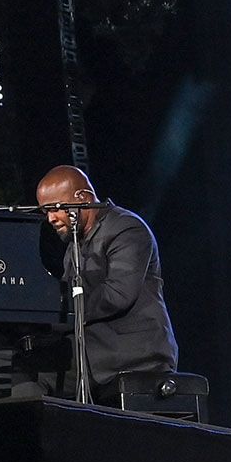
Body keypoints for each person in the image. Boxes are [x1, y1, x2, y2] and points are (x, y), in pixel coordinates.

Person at [32, 165, 179, 402]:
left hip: (133, 352)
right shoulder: (74, 246)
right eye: (45, 212)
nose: (50, 219)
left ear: (83, 198)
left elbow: (117, 294)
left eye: (55, 209)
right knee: (16, 361)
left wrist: (58, 314)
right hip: (96, 349)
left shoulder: (127, 228)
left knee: (31, 372)